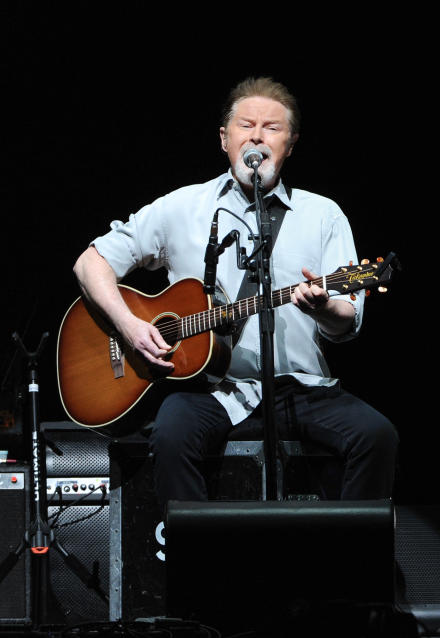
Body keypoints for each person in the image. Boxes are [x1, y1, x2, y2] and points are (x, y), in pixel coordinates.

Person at [72, 77, 398, 506]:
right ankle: (199, 566)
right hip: (210, 391)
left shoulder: (323, 215)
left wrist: (323, 309)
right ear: (225, 138)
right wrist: (130, 326)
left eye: (272, 128)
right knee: (170, 435)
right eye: (246, 125)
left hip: (299, 389)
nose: (257, 136)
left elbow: (346, 320)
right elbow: (90, 262)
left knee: (376, 436)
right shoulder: (182, 206)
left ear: (291, 144)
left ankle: (351, 565)